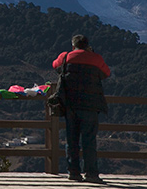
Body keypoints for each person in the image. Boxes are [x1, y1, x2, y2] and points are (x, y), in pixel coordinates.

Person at [53, 34, 111, 183]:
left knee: (72, 140)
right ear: (87, 45)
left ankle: (73, 172)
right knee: (89, 140)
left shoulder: (65, 57)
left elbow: (55, 66)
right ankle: (91, 174)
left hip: (70, 105)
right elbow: (106, 73)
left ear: (73, 46)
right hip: (91, 106)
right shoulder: (96, 58)